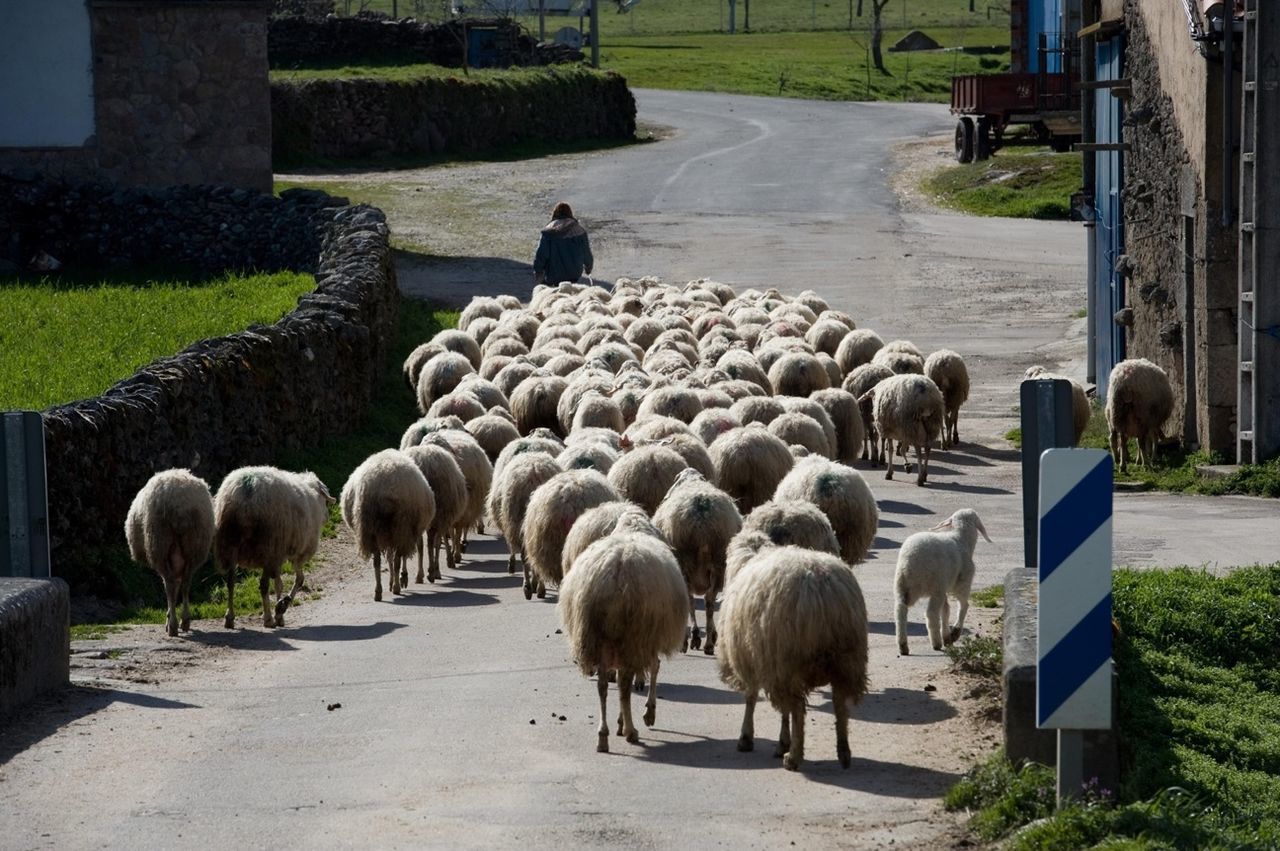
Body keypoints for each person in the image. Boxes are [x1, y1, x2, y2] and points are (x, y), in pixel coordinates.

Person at [532, 201, 593, 286]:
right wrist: (588, 268)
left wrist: (538, 271)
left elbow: (541, 254)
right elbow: (586, 252)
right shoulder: (579, 230)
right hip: (574, 274)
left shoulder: (549, 231)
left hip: (554, 275)